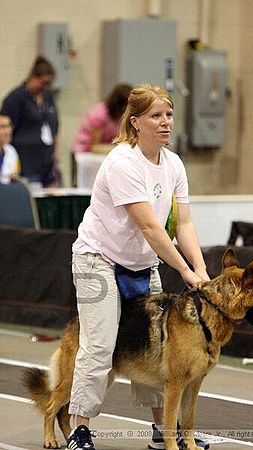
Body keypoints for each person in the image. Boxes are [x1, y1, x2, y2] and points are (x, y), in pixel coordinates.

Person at [67, 84, 210, 450]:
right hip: (98, 260)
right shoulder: (122, 163)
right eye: (156, 116)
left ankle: (164, 431)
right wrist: (183, 270)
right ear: (136, 122)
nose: (165, 123)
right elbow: (150, 227)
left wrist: (200, 267)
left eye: (169, 115)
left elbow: (183, 224)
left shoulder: (174, 163)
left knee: (155, 347)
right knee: (100, 346)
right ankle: (79, 428)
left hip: (142, 264)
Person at [0, 56, 59, 187]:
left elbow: (55, 127)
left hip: (46, 165)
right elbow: (5, 126)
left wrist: (56, 153)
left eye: (49, 84)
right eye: (43, 83)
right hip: (25, 164)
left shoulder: (48, 96)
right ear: (32, 77)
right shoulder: (16, 98)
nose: (45, 87)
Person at [72, 83, 132, 153]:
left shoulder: (120, 116)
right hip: (83, 153)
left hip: (102, 151)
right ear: (120, 105)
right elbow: (95, 147)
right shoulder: (99, 114)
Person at [0, 113, 20, 184]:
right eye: (3, 127)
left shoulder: (11, 151)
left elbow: (15, 179)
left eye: (9, 126)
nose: (8, 131)